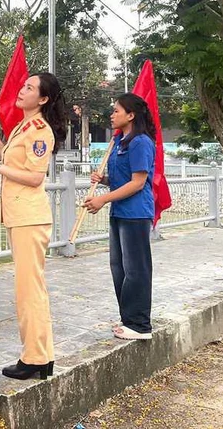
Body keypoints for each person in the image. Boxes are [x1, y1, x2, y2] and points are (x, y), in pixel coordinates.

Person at [0, 73, 67, 380]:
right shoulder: (23, 127)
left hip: (30, 217)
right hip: (20, 216)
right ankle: (41, 356)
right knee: (29, 289)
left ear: (42, 99)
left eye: (29, 87)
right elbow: (19, 166)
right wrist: (0, 147)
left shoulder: (40, 130)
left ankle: (36, 357)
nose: (22, 89)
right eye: (23, 85)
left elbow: (34, 177)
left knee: (30, 291)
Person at [83, 93, 156, 341]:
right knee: (119, 268)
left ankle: (140, 324)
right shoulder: (120, 143)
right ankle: (128, 319)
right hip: (120, 212)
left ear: (131, 115)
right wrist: (102, 181)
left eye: (116, 111)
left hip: (135, 213)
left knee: (136, 269)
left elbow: (138, 183)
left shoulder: (140, 143)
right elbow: (121, 179)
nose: (112, 115)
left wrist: (102, 199)